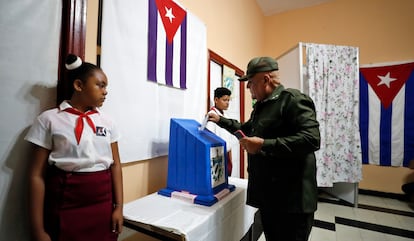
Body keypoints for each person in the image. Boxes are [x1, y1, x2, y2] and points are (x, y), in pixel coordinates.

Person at [208, 57, 320, 241]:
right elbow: (245, 129)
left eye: (250, 82)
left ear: (266, 80)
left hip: (292, 202)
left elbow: (312, 139)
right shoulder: (262, 107)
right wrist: (220, 120)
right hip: (271, 198)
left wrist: (262, 144)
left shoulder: (293, 100)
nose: (247, 88)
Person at [25, 54, 124, 241]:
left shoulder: (108, 122)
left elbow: (116, 165)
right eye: (100, 85)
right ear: (78, 86)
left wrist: (118, 207)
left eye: (106, 87)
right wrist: (37, 229)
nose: (105, 92)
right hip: (65, 203)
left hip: (102, 204)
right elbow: (36, 175)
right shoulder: (49, 119)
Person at [206, 87, 238, 176]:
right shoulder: (212, 116)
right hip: (218, 155)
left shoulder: (225, 115)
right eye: (225, 100)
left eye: (228, 100)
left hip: (226, 153)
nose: (227, 103)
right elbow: (210, 139)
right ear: (216, 100)